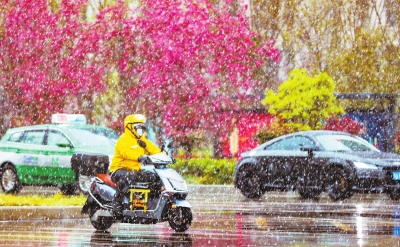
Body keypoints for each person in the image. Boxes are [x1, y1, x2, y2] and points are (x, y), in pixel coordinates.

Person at [109, 114, 162, 213]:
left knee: (155, 177)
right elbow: (126, 153)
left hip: (135, 171)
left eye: (142, 127)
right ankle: (117, 202)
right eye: (138, 127)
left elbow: (154, 150)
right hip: (118, 170)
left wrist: (166, 155)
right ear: (129, 127)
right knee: (127, 177)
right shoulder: (123, 140)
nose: (141, 129)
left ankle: (150, 204)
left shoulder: (141, 140)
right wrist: (139, 157)